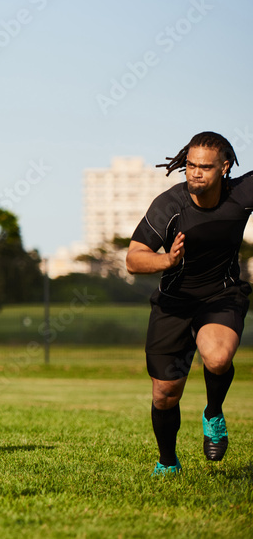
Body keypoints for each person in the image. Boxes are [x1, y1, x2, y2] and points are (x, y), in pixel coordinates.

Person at [126, 131, 252, 475]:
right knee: (165, 394)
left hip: (221, 295)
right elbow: (134, 260)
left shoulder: (241, 195)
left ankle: (213, 413)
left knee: (218, 356)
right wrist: (166, 261)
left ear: (224, 168)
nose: (195, 172)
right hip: (173, 304)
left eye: (205, 167)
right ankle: (167, 462)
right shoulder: (170, 206)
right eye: (190, 165)